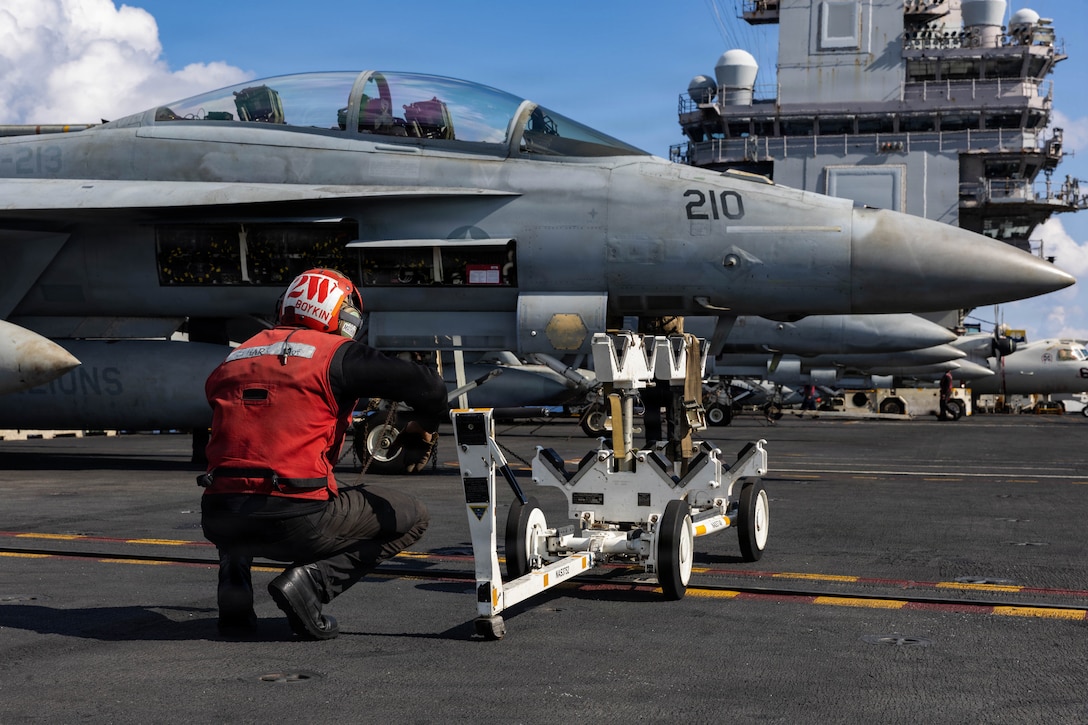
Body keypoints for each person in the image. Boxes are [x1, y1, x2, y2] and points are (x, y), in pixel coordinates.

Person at [199, 268, 448, 639]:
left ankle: (233, 600)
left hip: (219, 516)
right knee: (413, 516)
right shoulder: (336, 354)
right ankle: (312, 584)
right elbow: (428, 387)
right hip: (295, 519)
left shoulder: (235, 358)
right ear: (342, 313)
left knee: (243, 485)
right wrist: (422, 426)